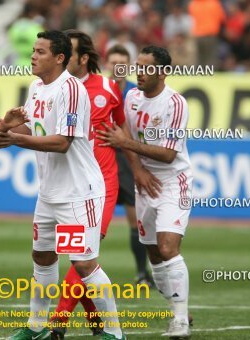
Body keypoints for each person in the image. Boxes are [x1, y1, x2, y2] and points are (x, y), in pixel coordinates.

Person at [0, 30, 125, 340]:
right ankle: (37, 327)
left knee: (83, 263)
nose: (33, 56)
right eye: (34, 51)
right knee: (42, 256)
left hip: (79, 194)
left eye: (40, 51)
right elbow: (35, 127)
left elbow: (62, 142)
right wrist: (8, 126)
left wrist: (17, 139)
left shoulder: (72, 90)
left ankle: (114, 332)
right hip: (49, 192)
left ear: (59, 58)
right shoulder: (37, 87)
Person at [98, 46, 193, 338]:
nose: (139, 72)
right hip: (144, 182)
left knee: (167, 248)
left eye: (147, 68)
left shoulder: (175, 103)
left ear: (162, 72)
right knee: (153, 253)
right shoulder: (131, 97)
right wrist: (137, 170)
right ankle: (180, 309)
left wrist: (126, 144)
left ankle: (179, 319)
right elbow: (124, 136)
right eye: (138, 66)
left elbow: (166, 155)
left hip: (172, 181)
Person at [46, 29, 128, 339]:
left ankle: (58, 323)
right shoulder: (54, 89)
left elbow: (120, 132)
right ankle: (97, 323)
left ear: (83, 57)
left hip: (99, 185)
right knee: (78, 258)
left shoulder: (107, 89)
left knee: (82, 255)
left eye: (70, 52)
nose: (63, 57)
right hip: (68, 185)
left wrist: (138, 170)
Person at [104, 44, 155, 286]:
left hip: (128, 159)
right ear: (106, 65)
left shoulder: (137, 93)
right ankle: (83, 270)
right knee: (93, 219)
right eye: (113, 63)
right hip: (102, 158)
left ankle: (141, 272)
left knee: (137, 220)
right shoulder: (97, 90)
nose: (117, 68)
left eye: (122, 64)